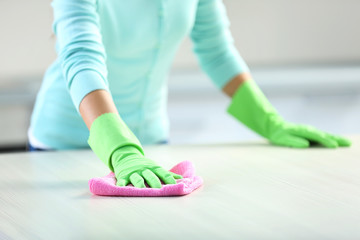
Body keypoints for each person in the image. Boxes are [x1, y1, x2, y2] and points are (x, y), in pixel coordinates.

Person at [28, 0, 351, 189]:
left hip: (151, 144)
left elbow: (216, 51)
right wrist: (120, 149)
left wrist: (269, 122)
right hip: (64, 142)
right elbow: (81, 56)